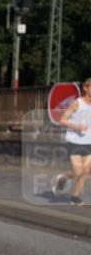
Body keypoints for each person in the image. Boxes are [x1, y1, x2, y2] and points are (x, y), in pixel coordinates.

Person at [53, 77, 91, 206]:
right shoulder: (77, 103)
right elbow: (62, 119)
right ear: (86, 88)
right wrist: (77, 127)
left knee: (85, 171)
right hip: (74, 141)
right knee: (79, 172)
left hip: (89, 141)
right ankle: (62, 179)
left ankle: (75, 197)